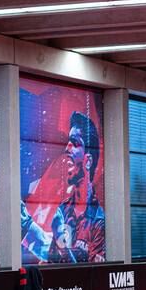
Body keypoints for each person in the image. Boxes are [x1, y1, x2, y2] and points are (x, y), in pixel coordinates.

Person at [48, 111, 106, 263]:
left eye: (74, 143)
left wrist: (62, 243)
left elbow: (94, 276)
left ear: (88, 161)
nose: (67, 149)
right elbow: (51, 263)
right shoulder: (63, 210)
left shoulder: (98, 221)